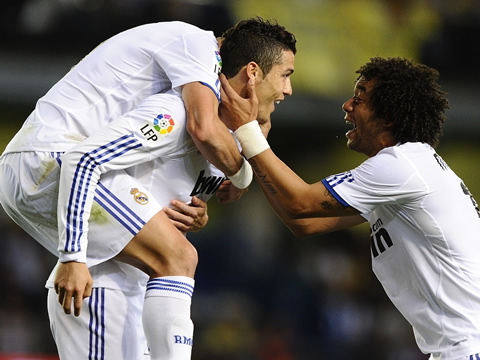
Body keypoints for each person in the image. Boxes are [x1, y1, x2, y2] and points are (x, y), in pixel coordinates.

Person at [0, 17, 297, 359]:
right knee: (180, 257)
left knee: (177, 254)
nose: (288, 90)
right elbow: (201, 129)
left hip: (118, 267)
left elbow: (151, 193)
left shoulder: (211, 141)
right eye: (286, 75)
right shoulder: (189, 71)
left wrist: (200, 211)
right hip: (48, 158)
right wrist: (72, 257)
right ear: (252, 72)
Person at [219, 56, 480, 360]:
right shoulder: (408, 172)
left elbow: (300, 203)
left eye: (360, 98)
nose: (346, 105)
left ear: (389, 116)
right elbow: (303, 222)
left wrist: (247, 130)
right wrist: (252, 157)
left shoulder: (403, 166)